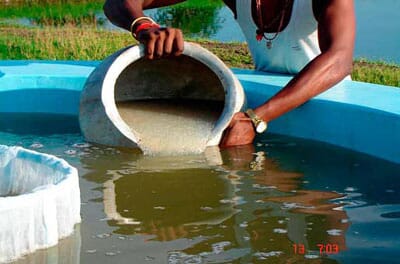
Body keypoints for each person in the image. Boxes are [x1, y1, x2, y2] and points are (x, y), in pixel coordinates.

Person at [103, 0, 355, 148]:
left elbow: (339, 60)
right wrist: (144, 26)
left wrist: (256, 119)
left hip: (330, 117)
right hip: (269, 114)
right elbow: (116, 3)